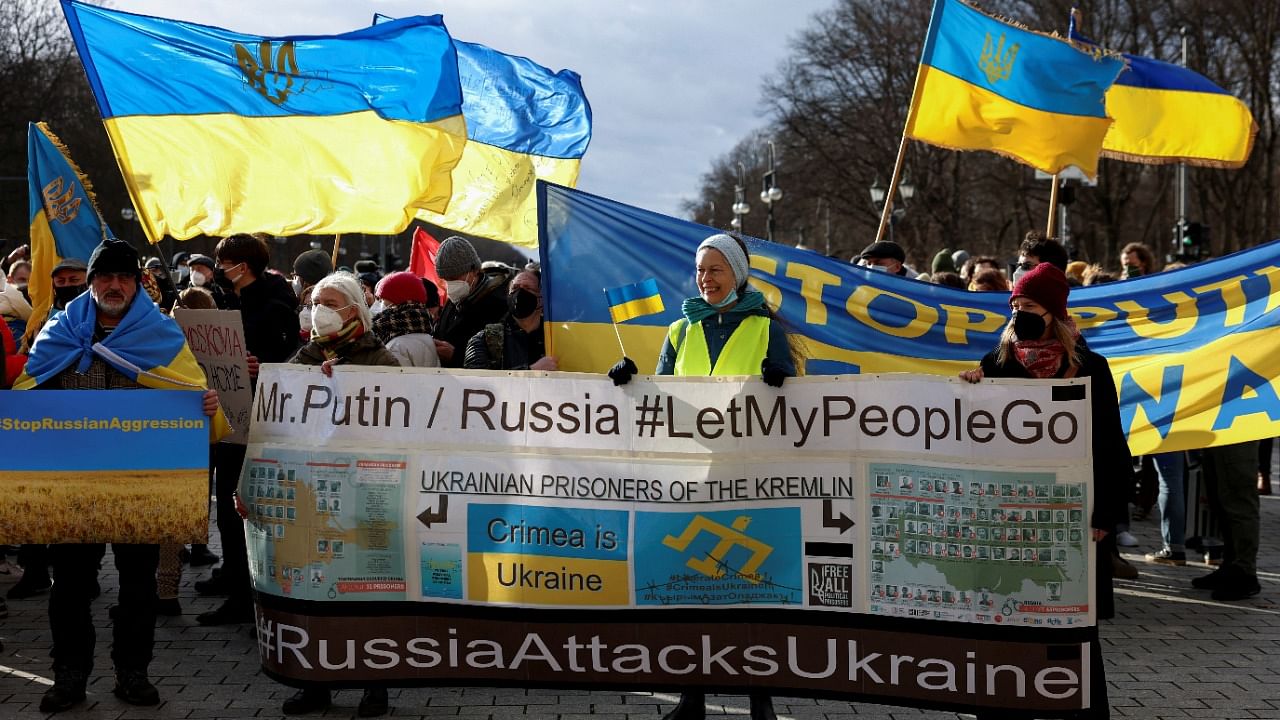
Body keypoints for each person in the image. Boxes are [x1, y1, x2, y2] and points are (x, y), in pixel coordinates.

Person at [12, 237, 227, 712]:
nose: (114, 285)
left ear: (137, 283)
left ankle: (133, 673)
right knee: (68, 586)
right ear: (90, 283)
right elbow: (29, 387)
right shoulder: (59, 331)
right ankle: (68, 676)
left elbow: (191, 393)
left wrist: (204, 406)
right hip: (75, 486)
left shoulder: (162, 334)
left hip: (140, 486)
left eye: (123, 277)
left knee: (137, 584)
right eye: (104, 277)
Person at [607, 233, 796, 720]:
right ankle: (693, 698)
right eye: (700, 270)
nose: (705, 279)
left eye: (716, 270)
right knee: (690, 591)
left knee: (751, 592)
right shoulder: (680, 330)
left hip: (747, 477)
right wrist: (630, 379)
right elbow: (659, 395)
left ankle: (761, 702)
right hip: (692, 478)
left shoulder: (765, 325)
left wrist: (783, 382)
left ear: (738, 273)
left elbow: (797, 404)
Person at [959, 262, 1128, 719]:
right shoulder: (997, 362)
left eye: (1029, 306)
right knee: (1004, 623)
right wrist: (970, 388)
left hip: (1072, 518)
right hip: (1009, 521)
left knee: (1070, 630)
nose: (1019, 315)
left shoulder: (1090, 367)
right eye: (1014, 306)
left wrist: (1106, 515)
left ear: (1052, 312)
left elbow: (1112, 445)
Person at [280, 271, 397, 717]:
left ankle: (375, 683)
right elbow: (281, 411)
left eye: (330, 302)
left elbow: (398, 419)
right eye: (314, 302)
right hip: (316, 493)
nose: (319, 310)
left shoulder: (380, 359)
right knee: (315, 588)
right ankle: (316, 682)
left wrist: (346, 385)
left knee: (370, 592)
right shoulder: (306, 354)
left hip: (368, 491)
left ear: (353, 311)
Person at [196, 234, 300, 626]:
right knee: (226, 509)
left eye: (225, 262)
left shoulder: (276, 305)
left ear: (244, 265)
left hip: (263, 423)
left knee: (253, 509)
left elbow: (292, 361)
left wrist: (265, 365)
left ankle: (258, 593)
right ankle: (237, 589)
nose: (220, 269)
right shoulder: (225, 301)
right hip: (228, 419)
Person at [1192, 441, 1262, 600]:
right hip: (1218, 432)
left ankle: (1245, 572)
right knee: (1219, 499)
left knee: (1239, 500)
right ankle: (1231, 565)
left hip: (1239, 431)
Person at [431, 236, 513, 366]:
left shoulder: (498, 306)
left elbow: (500, 359)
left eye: (454, 277)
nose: (450, 285)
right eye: (446, 279)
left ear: (474, 271)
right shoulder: (452, 302)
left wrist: (456, 356)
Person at [464, 268, 557, 371]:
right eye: (515, 288)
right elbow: (474, 380)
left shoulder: (557, 340)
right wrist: (531, 372)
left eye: (528, 288)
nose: (519, 293)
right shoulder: (485, 340)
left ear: (541, 299)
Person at [371, 271, 440, 367]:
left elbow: (395, 381)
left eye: (382, 299)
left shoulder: (396, 346)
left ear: (397, 301)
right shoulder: (424, 331)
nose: (379, 304)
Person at [855, 239, 924, 279]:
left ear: (897, 267)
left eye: (878, 263)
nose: (872, 267)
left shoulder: (912, 288)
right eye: (869, 263)